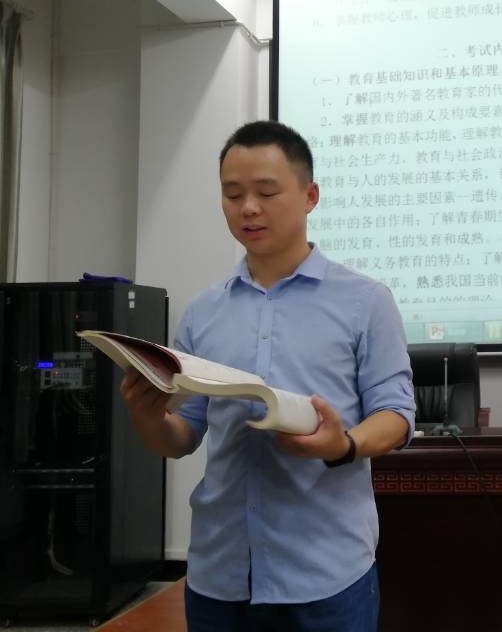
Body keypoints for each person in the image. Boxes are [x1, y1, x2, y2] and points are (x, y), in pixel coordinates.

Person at [119, 120, 415, 632]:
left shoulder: (365, 301)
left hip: (325, 572)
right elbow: (182, 437)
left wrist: (342, 445)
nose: (248, 208)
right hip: (219, 571)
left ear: (310, 196)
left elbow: (397, 414)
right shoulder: (203, 312)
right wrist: (146, 417)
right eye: (233, 194)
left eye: (266, 192)